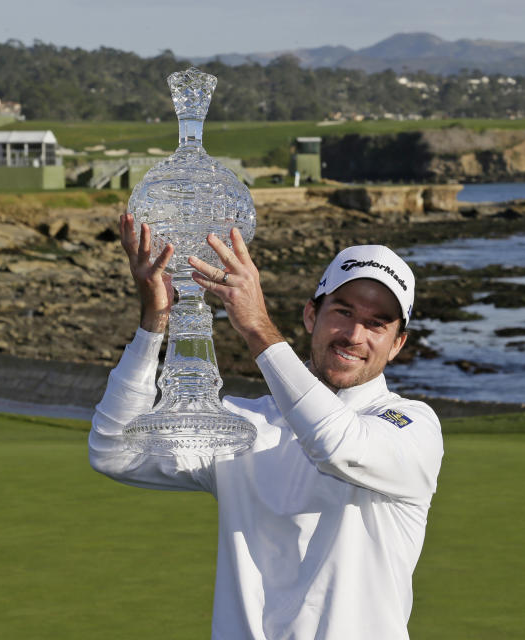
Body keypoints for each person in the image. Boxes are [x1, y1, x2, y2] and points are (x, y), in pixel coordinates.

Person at [89, 214, 444, 640]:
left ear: (397, 344)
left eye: (376, 324)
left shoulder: (412, 426)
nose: (353, 334)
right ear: (312, 315)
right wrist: (154, 322)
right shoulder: (243, 424)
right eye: (343, 311)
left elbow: (336, 444)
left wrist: (256, 326)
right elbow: (116, 452)